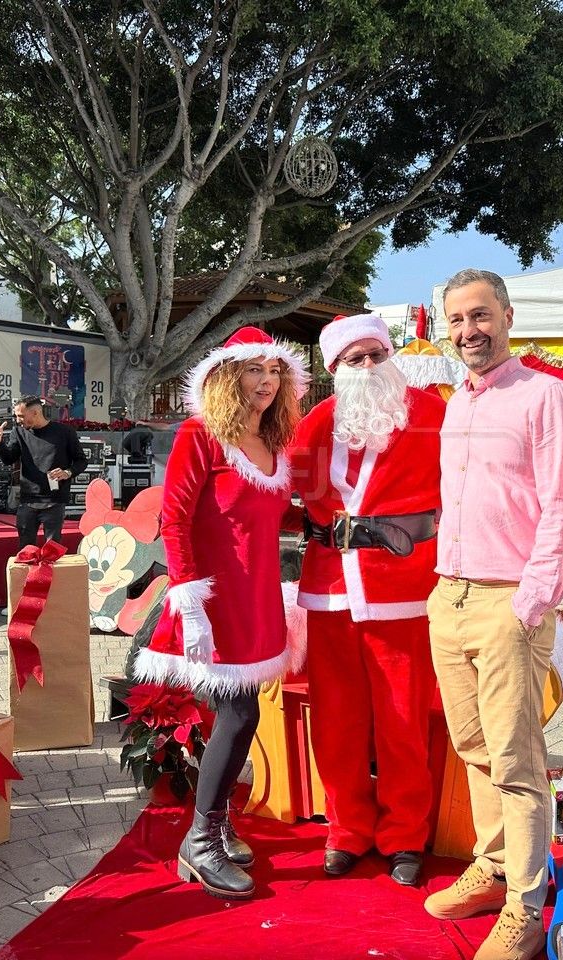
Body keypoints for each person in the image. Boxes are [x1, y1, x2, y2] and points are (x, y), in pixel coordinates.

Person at [426, 269, 563, 960]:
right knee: (472, 749)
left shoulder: (546, 397)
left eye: (481, 315)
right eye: (457, 320)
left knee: (517, 762)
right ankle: (493, 868)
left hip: (508, 602)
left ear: (508, 317)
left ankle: (525, 905)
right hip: (450, 596)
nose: (469, 331)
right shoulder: (455, 406)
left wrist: (530, 602)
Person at [132, 326, 308, 900]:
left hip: (255, 596)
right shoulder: (201, 435)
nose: (267, 380)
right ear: (228, 377)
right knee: (239, 714)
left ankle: (216, 822)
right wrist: (189, 601)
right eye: (254, 369)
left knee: (244, 713)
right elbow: (175, 519)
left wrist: (328, 522)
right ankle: (200, 838)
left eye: (275, 370)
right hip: (212, 600)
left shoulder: (273, 442)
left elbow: (267, 516)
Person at [289, 313, 445, 886]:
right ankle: (347, 829)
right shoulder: (315, 424)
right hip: (330, 590)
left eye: (377, 354)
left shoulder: (432, 414)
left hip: (403, 588)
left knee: (402, 720)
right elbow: (281, 491)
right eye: (355, 359)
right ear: (336, 368)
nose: (369, 366)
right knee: (337, 721)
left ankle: (405, 834)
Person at [0, 395, 88, 549]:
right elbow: (9, 459)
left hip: (55, 499)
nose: (18, 420)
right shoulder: (18, 432)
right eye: (16, 416)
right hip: (27, 500)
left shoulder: (64, 432)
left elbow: (81, 461)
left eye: (21, 416)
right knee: (25, 549)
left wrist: (67, 472)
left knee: (52, 549)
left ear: (36, 412)